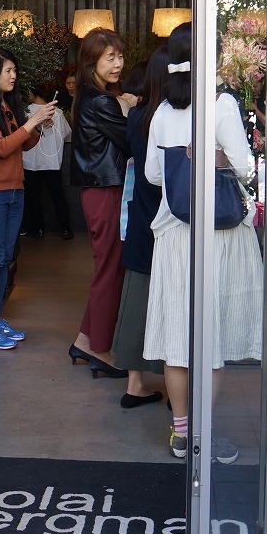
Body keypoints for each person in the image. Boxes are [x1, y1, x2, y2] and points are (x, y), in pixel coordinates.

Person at [143, 23, 263, 463]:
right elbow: (246, 169)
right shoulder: (221, 103)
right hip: (217, 235)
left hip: (174, 233)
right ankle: (203, 434)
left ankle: (181, 434)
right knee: (209, 339)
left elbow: (153, 175)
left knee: (178, 337)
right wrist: (218, 157)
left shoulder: (161, 111)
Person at [0, 49, 57, 350]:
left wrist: (38, 126)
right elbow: (2, 148)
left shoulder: (6, 105)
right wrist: (32, 122)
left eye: (15, 70)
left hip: (15, 188)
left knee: (5, 257)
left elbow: (24, 145)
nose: (14, 76)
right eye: (8, 70)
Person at [68, 28, 131, 378]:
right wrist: (132, 109)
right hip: (107, 191)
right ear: (92, 62)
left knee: (107, 267)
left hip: (97, 191)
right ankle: (102, 351)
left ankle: (84, 341)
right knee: (111, 270)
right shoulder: (102, 101)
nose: (118, 63)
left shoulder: (89, 96)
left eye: (120, 56)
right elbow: (129, 141)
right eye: (110, 57)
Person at [111, 51, 168, 408]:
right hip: (169, 216)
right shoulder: (172, 116)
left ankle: (135, 384)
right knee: (174, 299)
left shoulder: (137, 115)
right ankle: (181, 387)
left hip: (142, 213)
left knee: (137, 297)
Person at [21, 85, 73, 239]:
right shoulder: (56, 112)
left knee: (34, 197)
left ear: (30, 92)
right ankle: (65, 228)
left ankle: (38, 229)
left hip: (30, 161)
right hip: (52, 161)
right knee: (58, 196)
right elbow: (66, 133)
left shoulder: (26, 111)